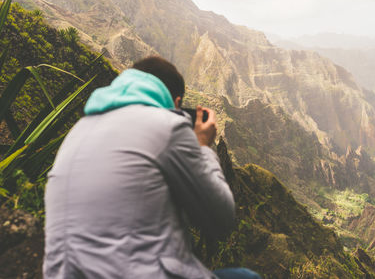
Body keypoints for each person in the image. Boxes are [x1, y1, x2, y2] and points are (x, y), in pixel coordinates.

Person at [44, 56, 260, 279]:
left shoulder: (79, 130)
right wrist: (203, 146)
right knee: (245, 276)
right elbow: (220, 221)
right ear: (176, 102)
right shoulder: (169, 126)